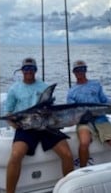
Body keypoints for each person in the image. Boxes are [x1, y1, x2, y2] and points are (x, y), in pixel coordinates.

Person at [5, 57, 74, 193]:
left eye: (31, 68)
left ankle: (68, 190)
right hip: (26, 127)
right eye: (26, 68)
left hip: (46, 126)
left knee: (67, 154)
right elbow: (9, 114)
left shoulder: (44, 87)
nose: (28, 71)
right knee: (15, 155)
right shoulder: (14, 89)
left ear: (35, 70)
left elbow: (52, 110)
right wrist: (15, 125)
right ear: (22, 71)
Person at [67, 60, 111, 167]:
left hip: (101, 119)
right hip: (84, 122)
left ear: (86, 70)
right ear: (73, 72)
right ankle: (83, 170)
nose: (80, 72)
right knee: (84, 143)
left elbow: (105, 101)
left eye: (82, 69)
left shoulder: (96, 85)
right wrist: (81, 118)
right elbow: (72, 110)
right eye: (77, 70)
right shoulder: (71, 91)